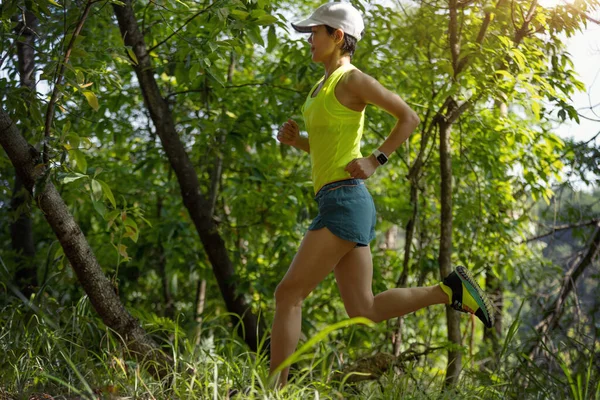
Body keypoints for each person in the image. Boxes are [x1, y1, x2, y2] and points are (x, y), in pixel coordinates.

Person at [271, 2, 494, 386]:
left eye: (315, 32)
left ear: (338, 36)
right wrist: (298, 142)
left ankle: (271, 391)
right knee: (366, 308)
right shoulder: (320, 87)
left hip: (345, 200)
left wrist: (377, 159)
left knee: (288, 294)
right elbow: (330, 151)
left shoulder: (351, 79)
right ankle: (449, 290)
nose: (309, 40)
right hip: (339, 199)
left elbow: (408, 116)